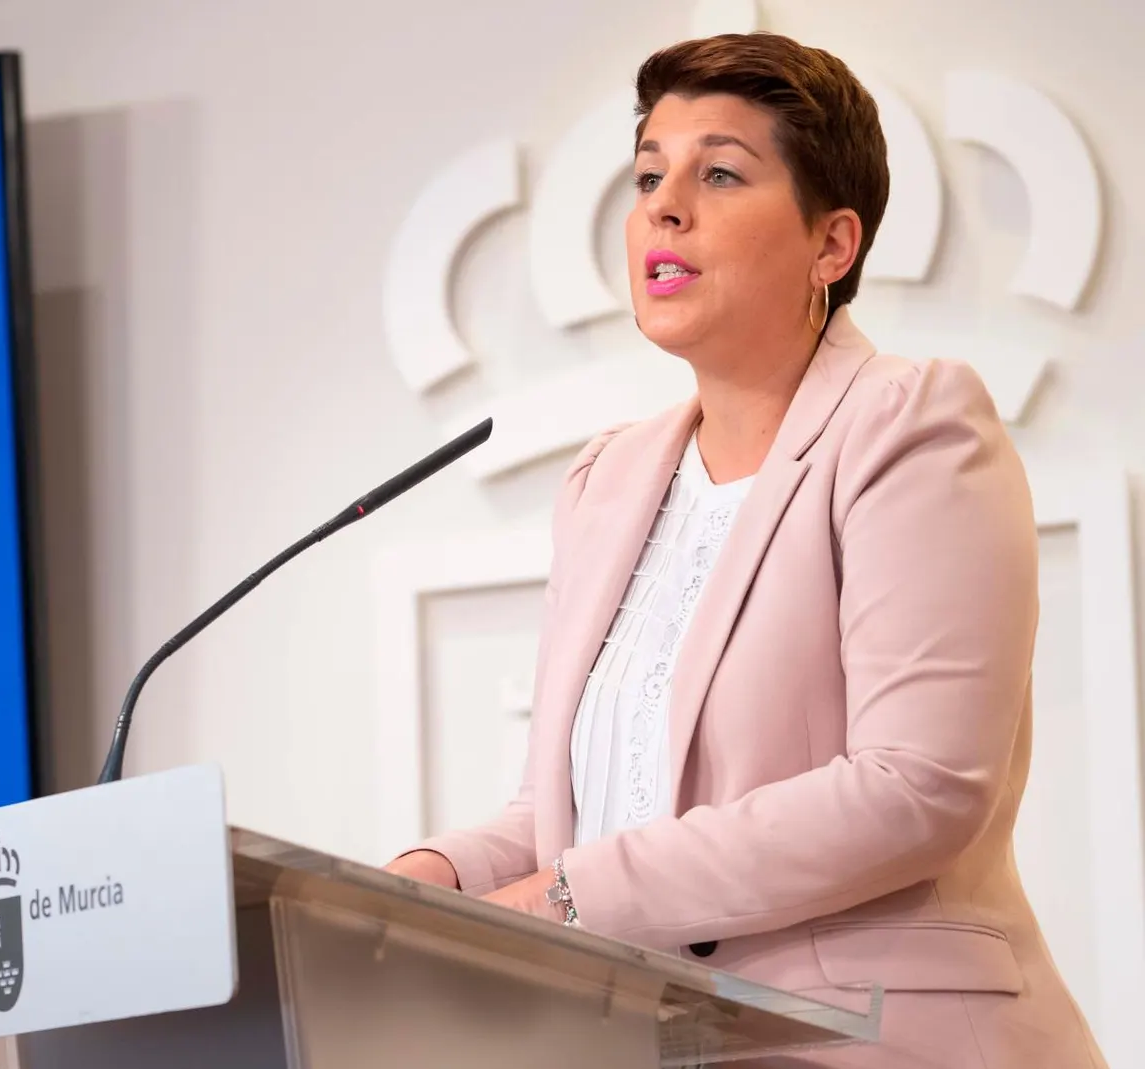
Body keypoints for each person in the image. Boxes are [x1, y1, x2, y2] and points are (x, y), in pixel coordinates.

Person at [384, 31, 1107, 1069]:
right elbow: (573, 810)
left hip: (884, 1041)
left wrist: (566, 896)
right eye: (647, 175)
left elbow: (917, 785)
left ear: (832, 245)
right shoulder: (606, 481)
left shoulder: (907, 424)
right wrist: (429, 877)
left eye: (718, 171)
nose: (662, 207)